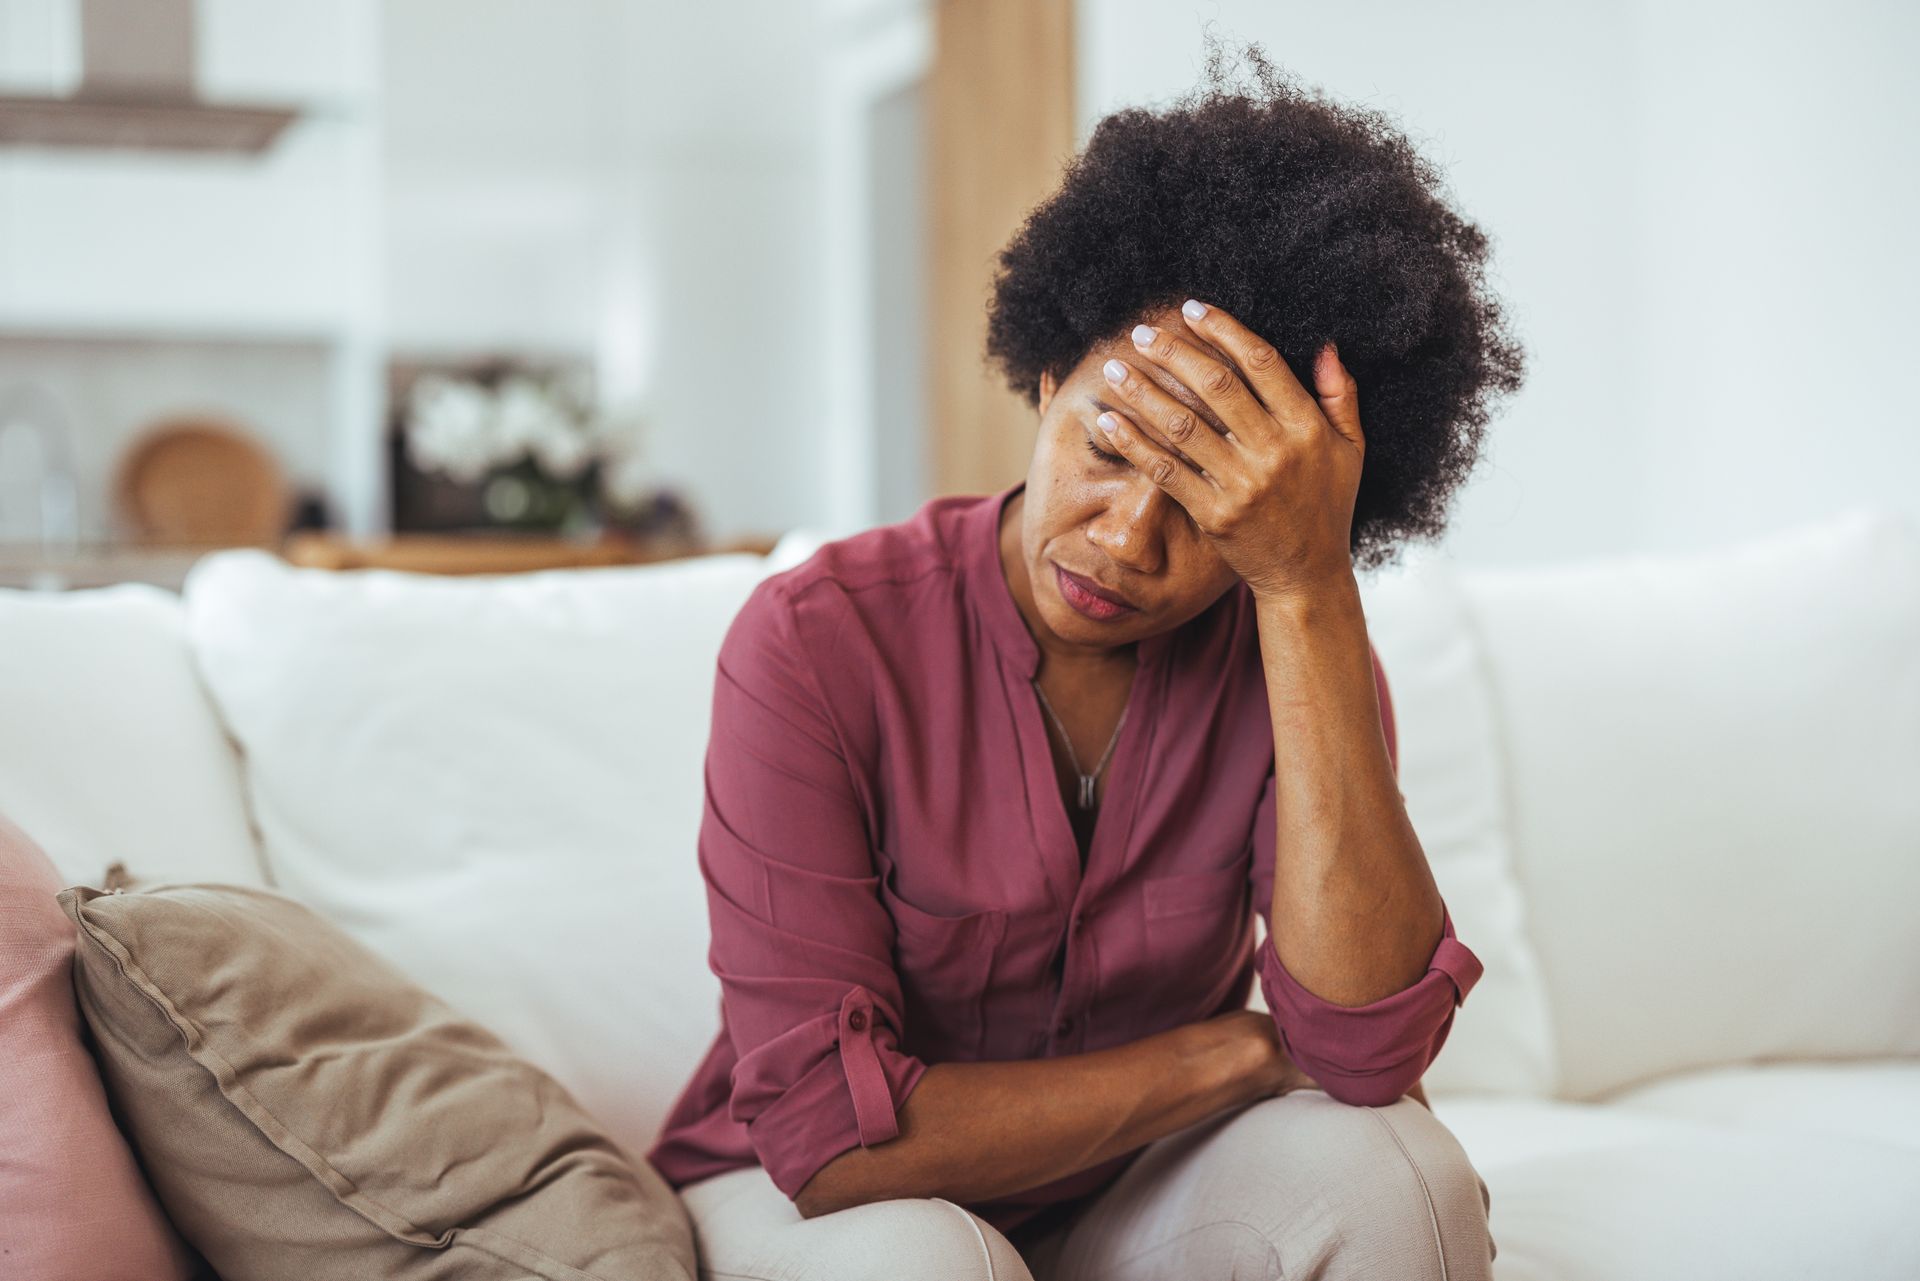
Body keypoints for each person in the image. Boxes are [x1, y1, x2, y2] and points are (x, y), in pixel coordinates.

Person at [646, 37, 1525, 1281]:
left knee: (1400, 1181)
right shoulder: (818, 638)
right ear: (1048, 375)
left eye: (1211, 503)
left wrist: (1309, 586)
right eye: (1106, 448)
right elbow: (832, 1140)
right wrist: (1228, 1053)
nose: (1124, 542)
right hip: (810, 1201)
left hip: (1136, 1181)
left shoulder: (1296, 639)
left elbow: (1369, 1057)